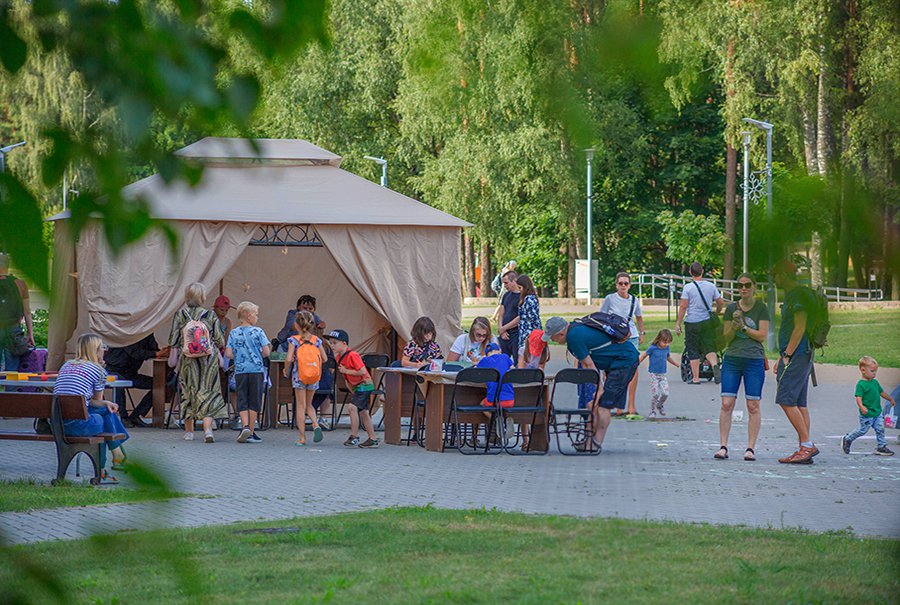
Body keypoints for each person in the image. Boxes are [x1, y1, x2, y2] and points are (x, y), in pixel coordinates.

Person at [544, 315, 639, 453]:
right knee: (592, 405)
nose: (552, 341)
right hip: (617, 363)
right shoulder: (575, 328)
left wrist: (599, 389)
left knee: (602, 406)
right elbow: (591, 361)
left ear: (561, 333)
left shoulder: (573, 337)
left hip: (624, 362)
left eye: (552, 338)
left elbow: (589, 365)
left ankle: (595, 444)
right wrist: (598, 387)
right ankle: (589, 440)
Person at [54, 333, 129, 482]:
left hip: (58, 425)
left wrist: (106, 403)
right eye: (103, 347)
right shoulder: (98, 370)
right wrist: (106, 404)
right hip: (79, 426)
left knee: (104, 412)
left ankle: (111, 462)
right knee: (105, 416)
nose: (105, 350)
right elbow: (97, 401)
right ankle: (117, 454)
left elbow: (90, 403)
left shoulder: (66, 365)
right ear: (95, 350)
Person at [715, 273, 770, 461]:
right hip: (732, 359)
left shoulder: (761, 308)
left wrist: (744, 327)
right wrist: (734, 325)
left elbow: (762, 336)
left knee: (753, 405)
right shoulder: (731, 308)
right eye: (740, 286)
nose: (743, 288)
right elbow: (726, 338)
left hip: (754, 360)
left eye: (747, 285)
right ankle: (723, 446)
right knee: (726, 403)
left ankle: (750, 448)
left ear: (754, 286)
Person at [772, 261, 820, 464]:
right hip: (800, 354)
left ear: (783, 275)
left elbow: (799, 327)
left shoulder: (797, 296)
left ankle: (807, 445)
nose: (774, 279)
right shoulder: (795, 294)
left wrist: (787, 355)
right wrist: (781, 356)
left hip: (797, 355)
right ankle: (804, 448)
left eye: (775, 275)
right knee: (800, 403)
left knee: (785, 399)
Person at [169, 282, 227, 443]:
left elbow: (173, 339)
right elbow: (220, 341)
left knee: (189, 393)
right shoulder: (210, 315)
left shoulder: (180, 315)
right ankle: (208, 430)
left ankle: (189, 432)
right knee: (208, 392)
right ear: (202, 297)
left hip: (188, 360)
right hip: (208, 361)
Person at [225, 301, 270, 444]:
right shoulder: (258, 332)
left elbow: (228, 354)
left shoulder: (234, 333)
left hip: (240, 371)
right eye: (256, 315)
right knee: (254, 400)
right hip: (256, 370)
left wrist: (239, 357)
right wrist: (256, 356)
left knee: (242, 399)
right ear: (249, 316)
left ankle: (244, 426)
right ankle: (251, 430)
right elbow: (266, 352)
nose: (257, 318)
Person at [600, 272, 644, 415]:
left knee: (633, 369)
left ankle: (631, 405)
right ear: (616, 285)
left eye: (626, 283)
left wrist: (642, 333)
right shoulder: (610, 299)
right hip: (614, 337)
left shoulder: (634, 300)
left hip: (631, 336)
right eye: (620, 283)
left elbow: (639, 317)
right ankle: (613, 404)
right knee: (612, 369)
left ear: (629, 285)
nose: (623, 286)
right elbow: (602, 317)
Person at [327, 329, 379, 448]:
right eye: (331, 343)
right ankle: (372, 438)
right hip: (357, 387)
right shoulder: (338, 357)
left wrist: (346, 371)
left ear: (344, 343)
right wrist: (350, 386)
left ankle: (354, 436)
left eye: (335, 343)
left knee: (352, 407)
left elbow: (362, 371)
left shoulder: (353, 355)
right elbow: (346, 376)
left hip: (364, 385)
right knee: (364, 412)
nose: (332, 346)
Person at [675, 262, 724, 385]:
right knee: (709, 346)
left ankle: (696, 378)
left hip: (692, 322)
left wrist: (678, 323)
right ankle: (714, 365)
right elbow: (720, 301)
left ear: (690, 272)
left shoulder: (688, 287)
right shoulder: (711, 286)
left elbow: (683, 306)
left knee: (693, 348)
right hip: (707, 321)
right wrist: (717, 312)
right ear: (702, 271)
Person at [283, 310, 326, 446]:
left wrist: (286, 369)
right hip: (313, 376)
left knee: (300, 406)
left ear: (296, 324)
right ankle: (315, 424)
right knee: (309, 405)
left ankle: (302, 438)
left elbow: (288, 358)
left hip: (299, 376)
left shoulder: (294, 340)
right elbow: (325, 358)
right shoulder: (316, 340)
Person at [841, 356, 895, 456]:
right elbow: (858, 397)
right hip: (867, 413)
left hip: (877, 412)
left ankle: (881, 446)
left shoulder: (875, 382)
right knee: (862, 430)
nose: (874, 373)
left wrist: (890, 399)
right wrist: (861, 407)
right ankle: (847, 439)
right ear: (863, 370)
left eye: (875, 371)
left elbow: (881, 392)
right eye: (872, 371)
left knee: (880, 429)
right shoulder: (861, 384)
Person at [104, 334, 159, 428]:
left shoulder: (147, 334)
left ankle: (136, 416)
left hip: (130, 374)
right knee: (119, 383)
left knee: (158, 385)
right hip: (113, 371)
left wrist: (161, 352)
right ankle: (123, 417)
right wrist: (156, 354)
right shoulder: (124, 332)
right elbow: (135, 352)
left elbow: (154, 350)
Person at [0, 252, 34, 372]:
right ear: (7, 265)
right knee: (12, 370)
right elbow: (27, 312)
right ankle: (10, 384)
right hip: (14, 329)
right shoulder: (20, 284)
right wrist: (30, 334)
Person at [476, 342, 515, 441]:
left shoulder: (485, 360)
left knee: (482, 405)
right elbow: (513, 369)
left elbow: (475, 371)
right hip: (510, 400)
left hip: (493, 400)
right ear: (499, 350)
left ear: (486, 354)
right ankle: (505, 421)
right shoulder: (505, 357)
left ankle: (496, 421)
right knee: (502, 407)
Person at [638, 329, 678, 418]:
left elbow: (668, 357)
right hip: (654, 374)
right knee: (655, 394)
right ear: (659, 339)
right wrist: (637, 363)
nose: (666, 344)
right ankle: (652, 411)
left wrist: (675, 363)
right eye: (665, 342)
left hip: (663, 374)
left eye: (669, 342)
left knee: (665, 394)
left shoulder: (666, 348)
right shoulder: (653, 348)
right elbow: (644, 355)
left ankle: (659, 405)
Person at [515, 275, 542, 367]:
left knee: (526, 358)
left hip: (529, 333)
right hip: (525, 331)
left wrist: (537, 334)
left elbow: (534, 318)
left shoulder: (529, 299)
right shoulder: (527, 298)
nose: (519, 290)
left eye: (520, 288)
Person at [496, 270, 521, 361]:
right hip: (504, 333)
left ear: (514, 281)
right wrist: (501, 329)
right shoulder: (506, 295)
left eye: (506, 283)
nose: (505, 286)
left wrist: (504, 328)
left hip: (516, 334)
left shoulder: (522, 297)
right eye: (503, 283)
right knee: (501, 360)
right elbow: (501, 313)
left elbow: (520, 318)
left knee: (517, 360)